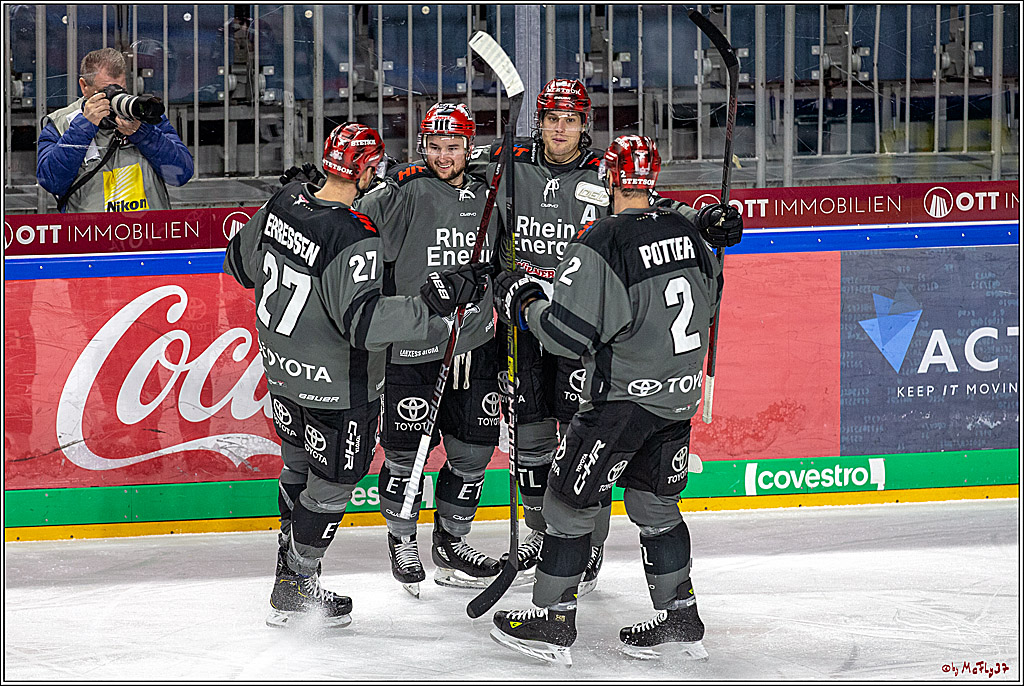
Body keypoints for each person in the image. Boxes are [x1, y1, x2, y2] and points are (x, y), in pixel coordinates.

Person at [487, 135, 743, 665]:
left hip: (621, 402)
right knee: (656, 506)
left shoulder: (601, 239)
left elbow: (565, 336)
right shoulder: (693, 234)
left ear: (607, 179)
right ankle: (680, 615)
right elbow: (712, 301)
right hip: (677, 400)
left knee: (566, 501)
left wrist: (524, 300)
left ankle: (554, 619)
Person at [223, 122, 489, 629]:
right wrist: (433, 301)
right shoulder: (354, 234)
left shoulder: (283, 200)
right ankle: (296, 585)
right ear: (366, 170)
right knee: (332, 485)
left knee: (297, 470)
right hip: (337, 384)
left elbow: (238, 263)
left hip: (281, 373)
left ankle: (291, 574)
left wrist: (282, 210)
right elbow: (364, 324)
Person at [354, 103, 504, 595]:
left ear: (469, 146)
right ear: (423, 146)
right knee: (406, 456)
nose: (444, 156)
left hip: (476, 341)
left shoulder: (489, 190)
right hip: (413, 347)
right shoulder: (405, 192)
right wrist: (387, 183)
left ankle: (452, 541)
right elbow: (352, 219)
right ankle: (402, 538)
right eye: (435, 147)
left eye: (454, 146)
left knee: (474, 451)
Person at [468, 78, 611, 591]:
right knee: (529, 441)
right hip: (522, 318)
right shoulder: (511, 161)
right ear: (540, 121)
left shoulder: (606, 173)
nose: (559, 128)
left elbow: (651, 210)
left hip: (581, 323)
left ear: (583, 124)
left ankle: (588, 544)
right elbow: (452, 165)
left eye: (569, 120)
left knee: (582, 442)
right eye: (551, 118)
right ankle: (544, 534)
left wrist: (702, 218)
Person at [36, 48, 193, 213]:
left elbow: (181, 174)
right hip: (91, 233)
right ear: (84, 86)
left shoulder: (143, 116)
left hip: (148, 231)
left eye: (120, 90)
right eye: (106, 92)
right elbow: (52, 182)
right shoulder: (60, 124)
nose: (113, 100)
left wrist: (144, 134)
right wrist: (83, 127)